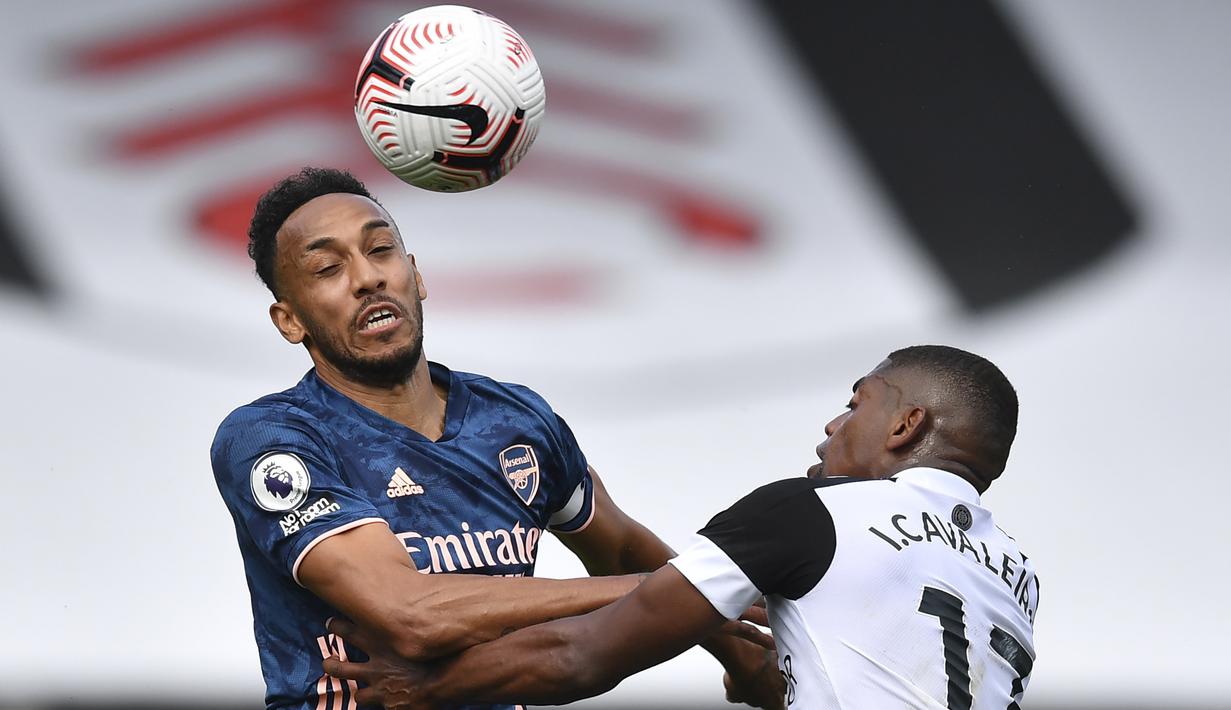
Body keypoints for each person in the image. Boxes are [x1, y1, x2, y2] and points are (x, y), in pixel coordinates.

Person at [209, 167, 781, 710]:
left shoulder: (514, 420)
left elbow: (622, 546)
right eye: (328, 269)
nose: (367, 277)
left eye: (380, 250)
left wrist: (739, 650)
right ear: (290, 321)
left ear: (416, 273)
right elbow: (411, 613)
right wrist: (680, 592)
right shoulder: (275, 441)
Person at [324, 345, 1040, 709]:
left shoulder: (810, 511)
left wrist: (426, 690)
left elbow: (584, 655)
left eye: (856, 403)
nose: (832, 424)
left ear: (906, 425)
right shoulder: (1014, 573)